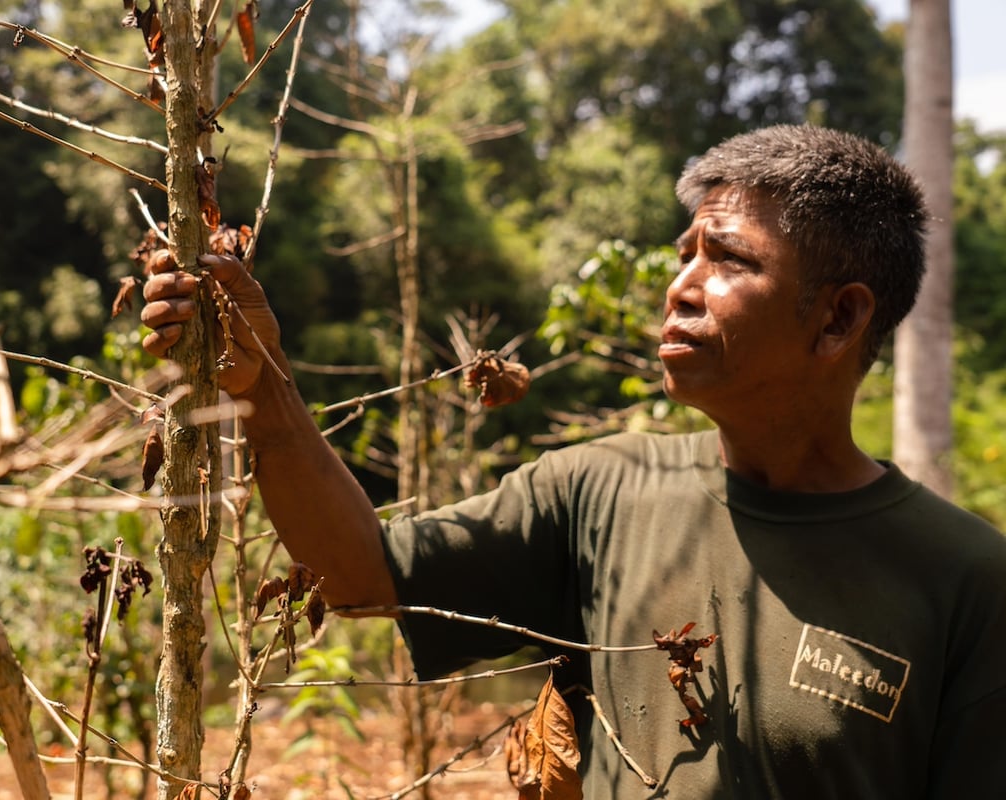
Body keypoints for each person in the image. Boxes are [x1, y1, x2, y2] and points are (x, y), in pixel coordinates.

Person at [140, 125, 1006, 798]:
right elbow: (362, 577)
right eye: (684, 255)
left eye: (730, 259)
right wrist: (262, 385)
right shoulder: (603, 490)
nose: (681, 286)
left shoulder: (965, 581)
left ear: (839, 319)